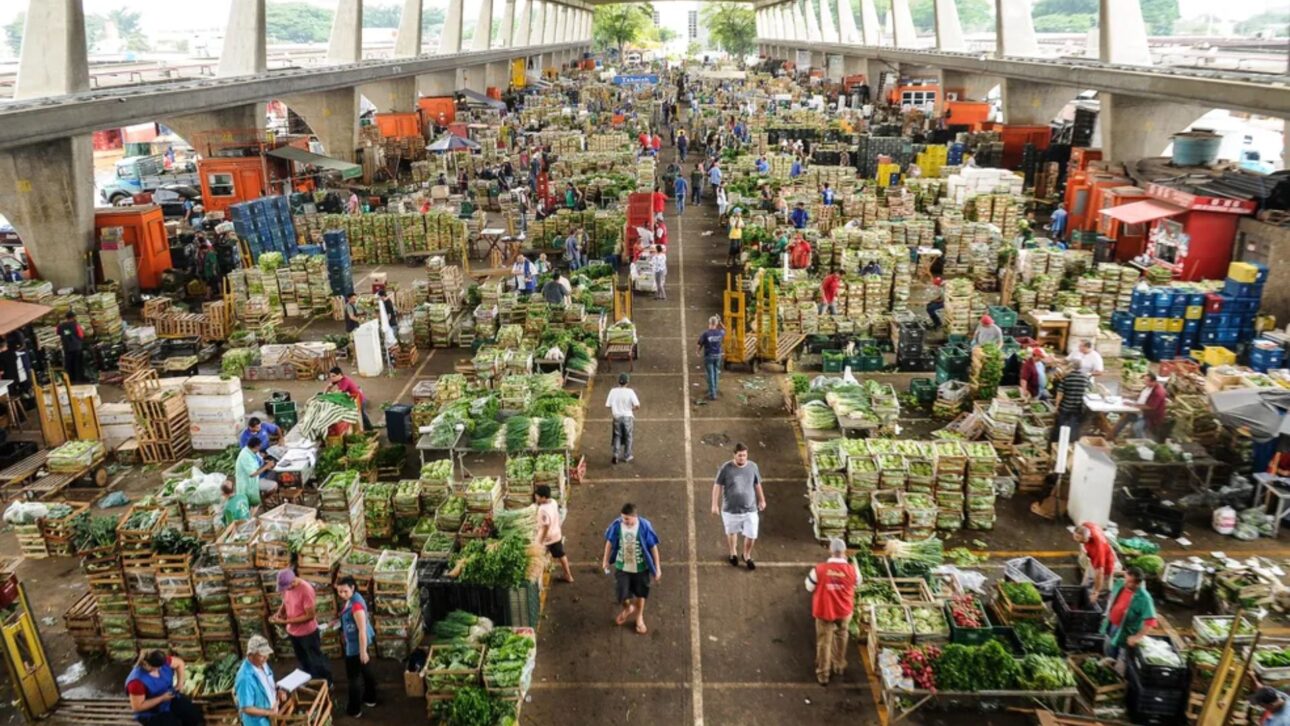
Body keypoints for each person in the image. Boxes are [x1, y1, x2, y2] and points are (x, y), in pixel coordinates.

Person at [601, 502, 661, 635]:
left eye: (627, 519)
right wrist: (605, 560)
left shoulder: (644, 526)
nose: (624, 521)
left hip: (641, 568)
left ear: (635, 516)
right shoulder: (617, 526)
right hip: (622, 567)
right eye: (623, 518)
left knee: (641, 594)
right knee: (621, 594)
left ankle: (639, 617)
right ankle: (628, 608)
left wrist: (657, 568)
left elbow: (653, 547)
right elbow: (609, 543)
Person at [805, 538, 859, 686]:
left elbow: (809, 587)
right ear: (844, 552)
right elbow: (858, 583)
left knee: (824, 642)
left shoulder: (819, 569)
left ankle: (823, 674)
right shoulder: (852, 570)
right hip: (844, 611)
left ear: (830, 550)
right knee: (842, 636)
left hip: (824, 611)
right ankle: (839, 665)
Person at [272, 569, 333, 684]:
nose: (285, 590)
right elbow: (285, 601)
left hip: (308, 633)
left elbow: (310, 616)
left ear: (293, 581)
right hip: (293, 633)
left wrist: (286, 622)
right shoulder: (287, 588)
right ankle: (312, 681)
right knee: (303, 660)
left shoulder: (306, 590)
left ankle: (328, 682)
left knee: (316, 660)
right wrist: (280, 613)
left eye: (287, 587)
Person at [712, 442, 766, 570]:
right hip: (730, 509)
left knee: (752, 535)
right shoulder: (726, 468)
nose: (742, 458)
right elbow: (717, 485)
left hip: (750, 509)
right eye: (740, 455)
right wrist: (714, 504)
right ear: (734, 455)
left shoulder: (753, 467)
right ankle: (733, 553)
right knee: (732, 532)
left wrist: (762, 500)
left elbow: (757, 484)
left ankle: (746, 555)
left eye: (744, 455)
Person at [335, 576, 378, 718]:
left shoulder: (357, 606)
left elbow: (362, 630)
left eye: (345, 591)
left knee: (353, 678)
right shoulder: (353, 598)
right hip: (358, 642)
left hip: (356, 645)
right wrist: (335, 622)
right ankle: (370, 698)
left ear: (352, 588)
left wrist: (363, 650)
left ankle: (354, 709)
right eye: (339, 591)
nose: (342, 594)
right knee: (366, 669)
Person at [126, 650, 203, 726]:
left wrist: (180, 684)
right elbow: (138, 707)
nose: (160, 669)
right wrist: (162, 698)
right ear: (146, 664)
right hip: (152, 712)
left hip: (169, 699)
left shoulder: (162, 661)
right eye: (157, 667)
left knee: (193, 717)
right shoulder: (136, 682)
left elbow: (180, 663)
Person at [1100, 566, 1157, 661]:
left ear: (1138, 583)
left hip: (1125, 631)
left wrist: (1137, 637)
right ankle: (1109, 661)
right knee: (1108, 646)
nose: (1125, 583)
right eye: (1125, 578)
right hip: (1111, 624)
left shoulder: (1144, 598)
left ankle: (1116, 669)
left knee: (1121, 655)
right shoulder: (1120, 584)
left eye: (1129, 582)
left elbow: (1150, 620)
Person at [234, 636, 285, 726]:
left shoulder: (263, 664)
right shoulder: (245, 678)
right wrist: (269, 712)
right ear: (250, 654)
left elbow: (268, 683)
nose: (266, 657)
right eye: (261, 655)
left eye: (267, 654)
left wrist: (278, 690)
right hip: (258, 722)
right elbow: (246, 708)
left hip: (272, 716)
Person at [1113, 372, 1168, 441]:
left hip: (1149, 416)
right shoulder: (1148, 387)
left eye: (1146, 381)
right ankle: (1113, 435)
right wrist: (1128, 396)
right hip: (1140, 412)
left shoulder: (1158, 392)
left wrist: (1133, 405)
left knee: (1136, 427)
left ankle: (1145, 443)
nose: (1144, 383)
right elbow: (1140, 395)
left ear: (1153, 382)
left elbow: (1150, 407)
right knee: (1126, 417)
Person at [535, 485, 573, 582]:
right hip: (557, 534)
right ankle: (568, 575)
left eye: (538, 496)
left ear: (543, 498)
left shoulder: (542, 510)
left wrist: (541, 540)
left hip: (548, 538)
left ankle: (539, 581)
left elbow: (545, 526)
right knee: (561, 555)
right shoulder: (553, 502)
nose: (536, 497)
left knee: (538, 556)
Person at [1073, 522, 1117, 600]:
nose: (1079, 542)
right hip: (1094, 559)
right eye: (1076, 537)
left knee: (1103, 592)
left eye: (1082, 540)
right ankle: (1082, 595)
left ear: (1088, 537)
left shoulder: (1097, 548)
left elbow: (1100, 572)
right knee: (1086, 583)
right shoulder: (1086, 526)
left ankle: (1101, 601)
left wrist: (1096, 592)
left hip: (1106, 566)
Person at [606, 373, 640, 464]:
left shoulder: (613, 391)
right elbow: (637, 405)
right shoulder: (630, 391)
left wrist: (616, 409)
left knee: (617, 435)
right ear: (627, 382)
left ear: (618, 382)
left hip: (617, 417)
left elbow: (608, 405)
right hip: (628, 417)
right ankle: (627, 455)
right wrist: (630, 409)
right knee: (628, 436)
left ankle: (615, 455)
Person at [1052, 366, 1090, 442]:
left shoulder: (1067, 378)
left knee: (1060, 425)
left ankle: (1058, 442)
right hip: (1077, 407)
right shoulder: (1085, 378)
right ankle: (1071, 442)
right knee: (1073, 426)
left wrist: (1056, 406)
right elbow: (1088, 391)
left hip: (1065, 407)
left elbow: (1059, 394)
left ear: (1071, 367)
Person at [235, 438, 276, 508]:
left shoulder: (250, 451)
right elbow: (252, 474)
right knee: (274, 485)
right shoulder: (246, 457)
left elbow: (258, 463)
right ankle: (264, 499)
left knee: (274, 475)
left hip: (256, 477)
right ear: (257, 446)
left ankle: (263, 500)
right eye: (260, 446)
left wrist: (266, 463)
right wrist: (266, 467)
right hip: (248, 483)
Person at [698, 315, 726, 401]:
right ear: (716, 324)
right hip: (718, 355)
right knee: (716, 372)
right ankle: (715, 389)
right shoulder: (720, 333)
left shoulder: (706, 333)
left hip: (709, 355)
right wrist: (720, 321)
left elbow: (700, 344)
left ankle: (712, 394)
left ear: (710, 323)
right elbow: (725, 329)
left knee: (710, 374)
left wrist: (697, 351)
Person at [57, 311, 86, 383]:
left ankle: (70, 380)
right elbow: (81, 336)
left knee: (69, 365)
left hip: (67, 349)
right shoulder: (76, 325)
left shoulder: (60, 326)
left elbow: (58, 333)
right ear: (73, 317)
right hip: (77, 348)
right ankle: (78, 380)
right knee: (78, 365)